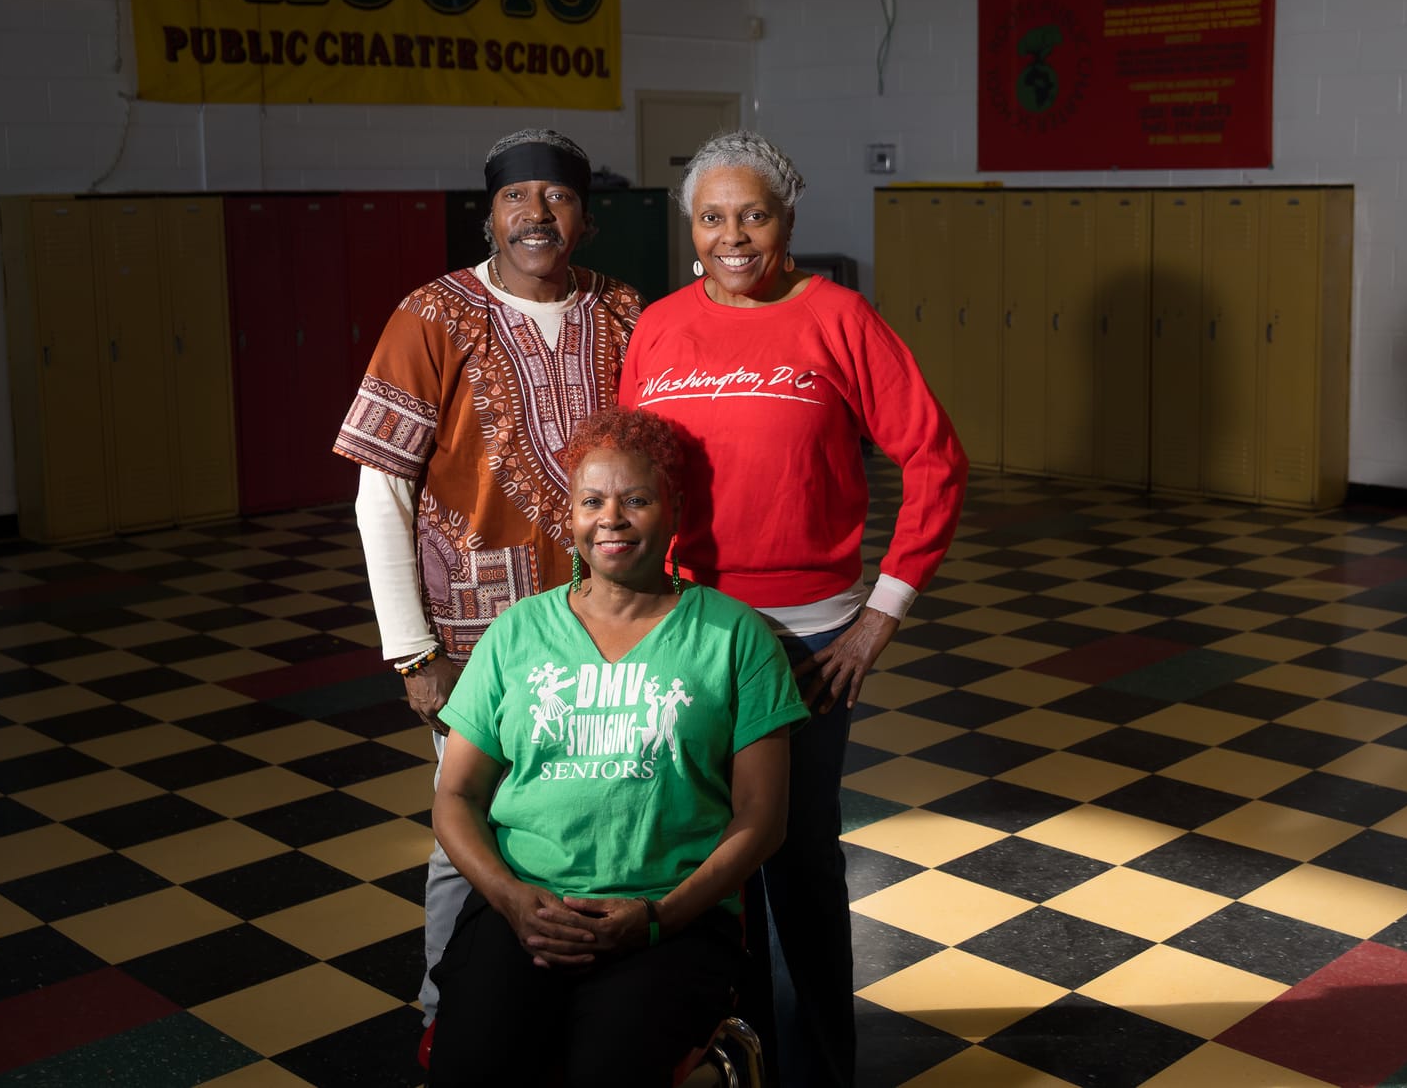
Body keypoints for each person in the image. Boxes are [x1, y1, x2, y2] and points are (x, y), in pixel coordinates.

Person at [620, 129, 968, 1086]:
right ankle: (723, 1055)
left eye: (754, 214)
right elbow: (628, 481)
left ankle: (819, 1066)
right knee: (702, 856)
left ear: (788, 219)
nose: (734, 236)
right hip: (686, 630)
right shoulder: (659, 327)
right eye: (713, 217)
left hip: (811, 637)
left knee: (798, 859)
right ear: (692, 228)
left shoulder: (840, 318)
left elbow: (936, 459)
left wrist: (879, 617)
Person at [333, 128, 641, 1028]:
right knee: (472, 823)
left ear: (585, 218)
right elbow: (379, 493)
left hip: (609, 620)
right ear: (489, 212)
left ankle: (576, 991)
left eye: (558, 197)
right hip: (476, 637)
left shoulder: (625, 310)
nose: (536, 214)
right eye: (518, 197)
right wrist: (411, 651)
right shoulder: (431, 315)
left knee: (601, 803)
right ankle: (448, 1007)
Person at [426, 408, 808, 1085]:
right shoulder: (517, 633)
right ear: (570, 516)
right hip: (527, 913)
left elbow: (762, 818)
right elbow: (455, 795)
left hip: (672, 918)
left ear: (673, 510)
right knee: (474, 1067)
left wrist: (658, 918)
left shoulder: (734, 637)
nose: (613, 517)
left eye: (636, 499)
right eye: (593, 500)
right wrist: (513, 900)